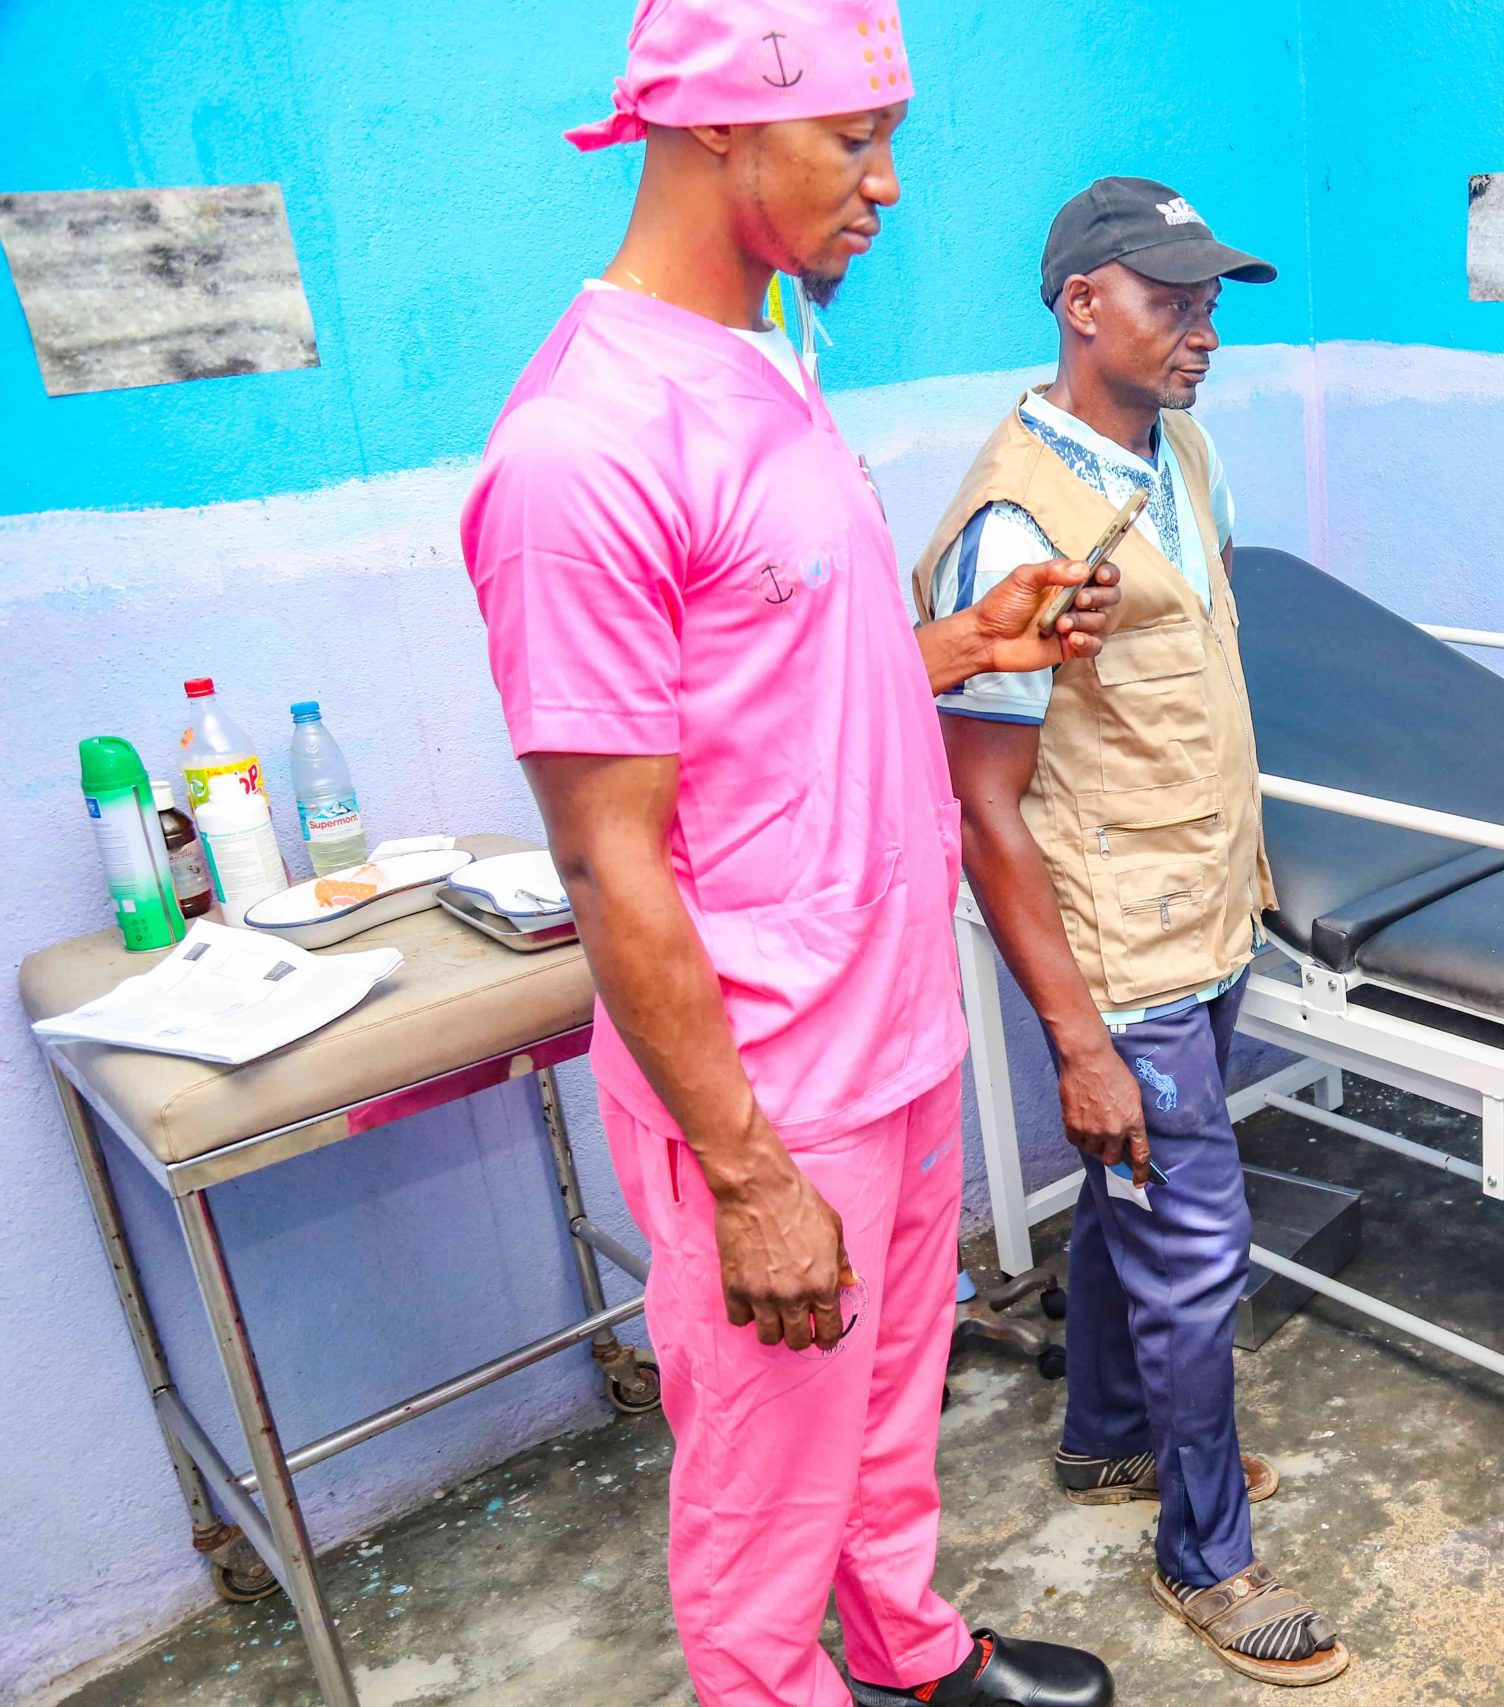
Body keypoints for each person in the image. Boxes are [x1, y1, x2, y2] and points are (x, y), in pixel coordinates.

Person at [459, 6, 1122, 1703]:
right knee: (763, 1502)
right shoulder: (580, 452)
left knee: (892, 1410)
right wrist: (748, 1176)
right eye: (855, 140)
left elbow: (786, 694)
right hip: (770, 1089)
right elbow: (613, 861)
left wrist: (967, 640)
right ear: (713, 136)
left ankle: (908, 1655)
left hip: (892, 1035)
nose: (888, 187)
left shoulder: (767, 364)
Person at [911, 178, 1351, 1689]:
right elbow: (989, 810)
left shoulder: (1183, 447)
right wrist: (1080, 1041)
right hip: (1125, 956)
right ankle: (1205, 1555)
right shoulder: (1012, 522)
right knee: (1196, 1255)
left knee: (1129, 1214)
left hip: (1210, 906)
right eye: (1172, 301)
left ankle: (1109, 1443)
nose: (1204, 331)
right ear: (1081, 301)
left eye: (1214, 302)